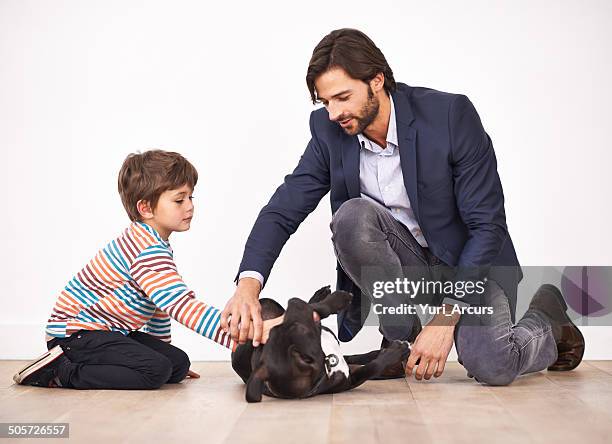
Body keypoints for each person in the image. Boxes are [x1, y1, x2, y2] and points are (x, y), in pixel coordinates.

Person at [222, 28, 585, 384]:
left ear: (377, 80)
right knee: (352, 217)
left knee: (492, 364)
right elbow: (283, 209)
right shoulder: (328, 130)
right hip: (408, 264)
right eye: (325, 101)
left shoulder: (449, 116)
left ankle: (549, 319)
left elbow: (487, 225)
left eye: (343, 97)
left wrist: (446, 318)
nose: (333, 113)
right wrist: (247, 286)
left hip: (467, 266)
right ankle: (400, 339)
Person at [13, 149, 279, 389]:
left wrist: (162, 351)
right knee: (156, 371)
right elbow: (181, 306)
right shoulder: (145, 249)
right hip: (75, 336)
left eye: (190, 197)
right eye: (179, 200)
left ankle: (152, 363)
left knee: (176, 364)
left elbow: (159, 307)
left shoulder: (152, 242)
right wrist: (239, 337)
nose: (190, 206)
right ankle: (59, 372)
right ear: (145, 207)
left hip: (105, 332)